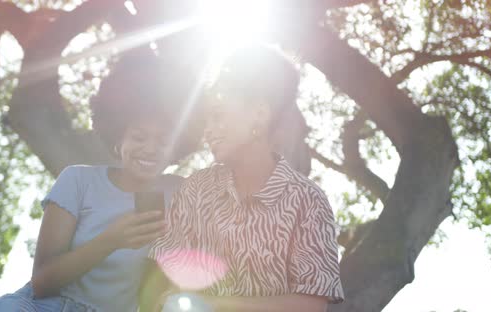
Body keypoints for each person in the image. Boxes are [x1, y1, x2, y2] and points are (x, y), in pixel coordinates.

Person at [0, 49, 202, 312]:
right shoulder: (77, 180)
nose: (150, 149)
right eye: (139, 138)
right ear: (119, 140)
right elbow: (42, 282)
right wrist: (111, 240)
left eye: (163, 142)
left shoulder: (182, 191)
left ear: (177, 150)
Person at [140, 45, 344, 312]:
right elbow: (163, 281)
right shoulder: (195, 190)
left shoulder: (308, 200)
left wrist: (215, 304)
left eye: (218, 116)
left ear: (259, 113)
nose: (208, 132)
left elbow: (310, 306)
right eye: (206, 121)